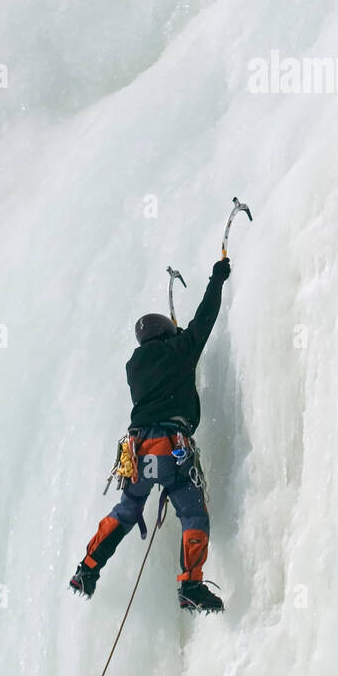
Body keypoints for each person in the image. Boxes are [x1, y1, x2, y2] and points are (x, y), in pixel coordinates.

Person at [69, 257, 231, 612]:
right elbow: (205, 318)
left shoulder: (135, 366)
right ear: (166, 334)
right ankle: (190, 584)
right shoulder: (180, 350)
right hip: (171, 449)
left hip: (139, 453)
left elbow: (166, 365)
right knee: (192, 515)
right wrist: (217, 278)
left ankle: (87, 568)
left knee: (126, 510)